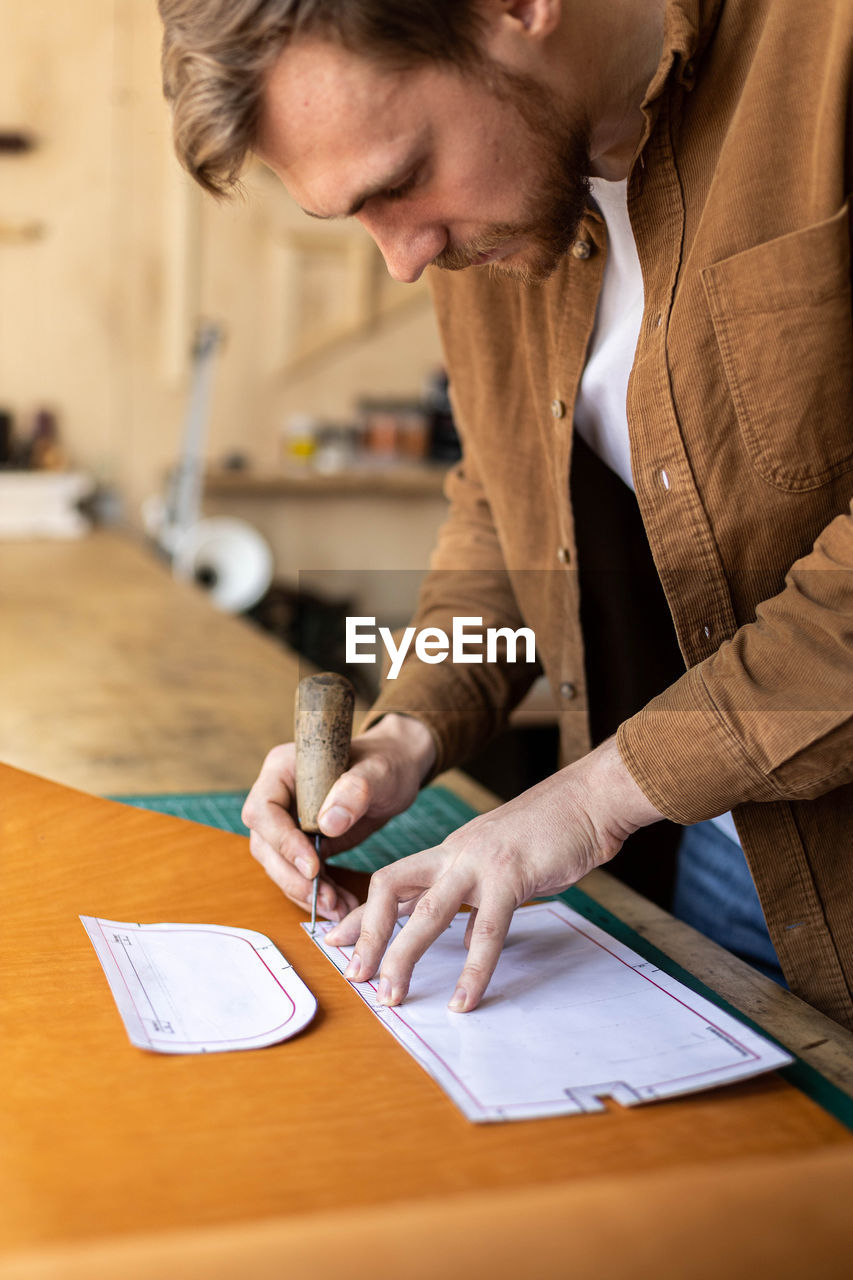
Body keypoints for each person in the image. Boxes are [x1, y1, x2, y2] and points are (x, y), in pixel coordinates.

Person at [157, 0, 853, 1029]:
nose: (399, 257)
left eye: (397, 181)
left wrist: (584, 799)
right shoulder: (492, 215)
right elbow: (506, 506)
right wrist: (409, 732)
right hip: (729, 856)